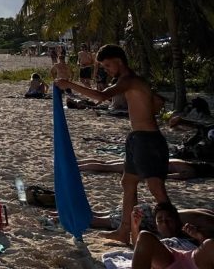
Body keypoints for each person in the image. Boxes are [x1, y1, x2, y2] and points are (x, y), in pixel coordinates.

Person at [56, 43, 171, 244]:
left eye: (108, 66)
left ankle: (174, 232)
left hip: (148, 140)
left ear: (119, 62)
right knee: (128, 183)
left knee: (156, 189)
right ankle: (124, 230)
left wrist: (70, 84)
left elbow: (101, 96)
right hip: (137, 139)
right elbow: (158, 102)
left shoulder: (130, 80)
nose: (107, 70)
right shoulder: (134, 81)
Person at [79, 157, 214, 182]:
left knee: (106, 163)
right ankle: (79, 167)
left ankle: (77, 163)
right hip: (147, 166)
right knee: (106, 167)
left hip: (147, 159)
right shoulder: (191, 171)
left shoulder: (184, 162)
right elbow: (172, 177)